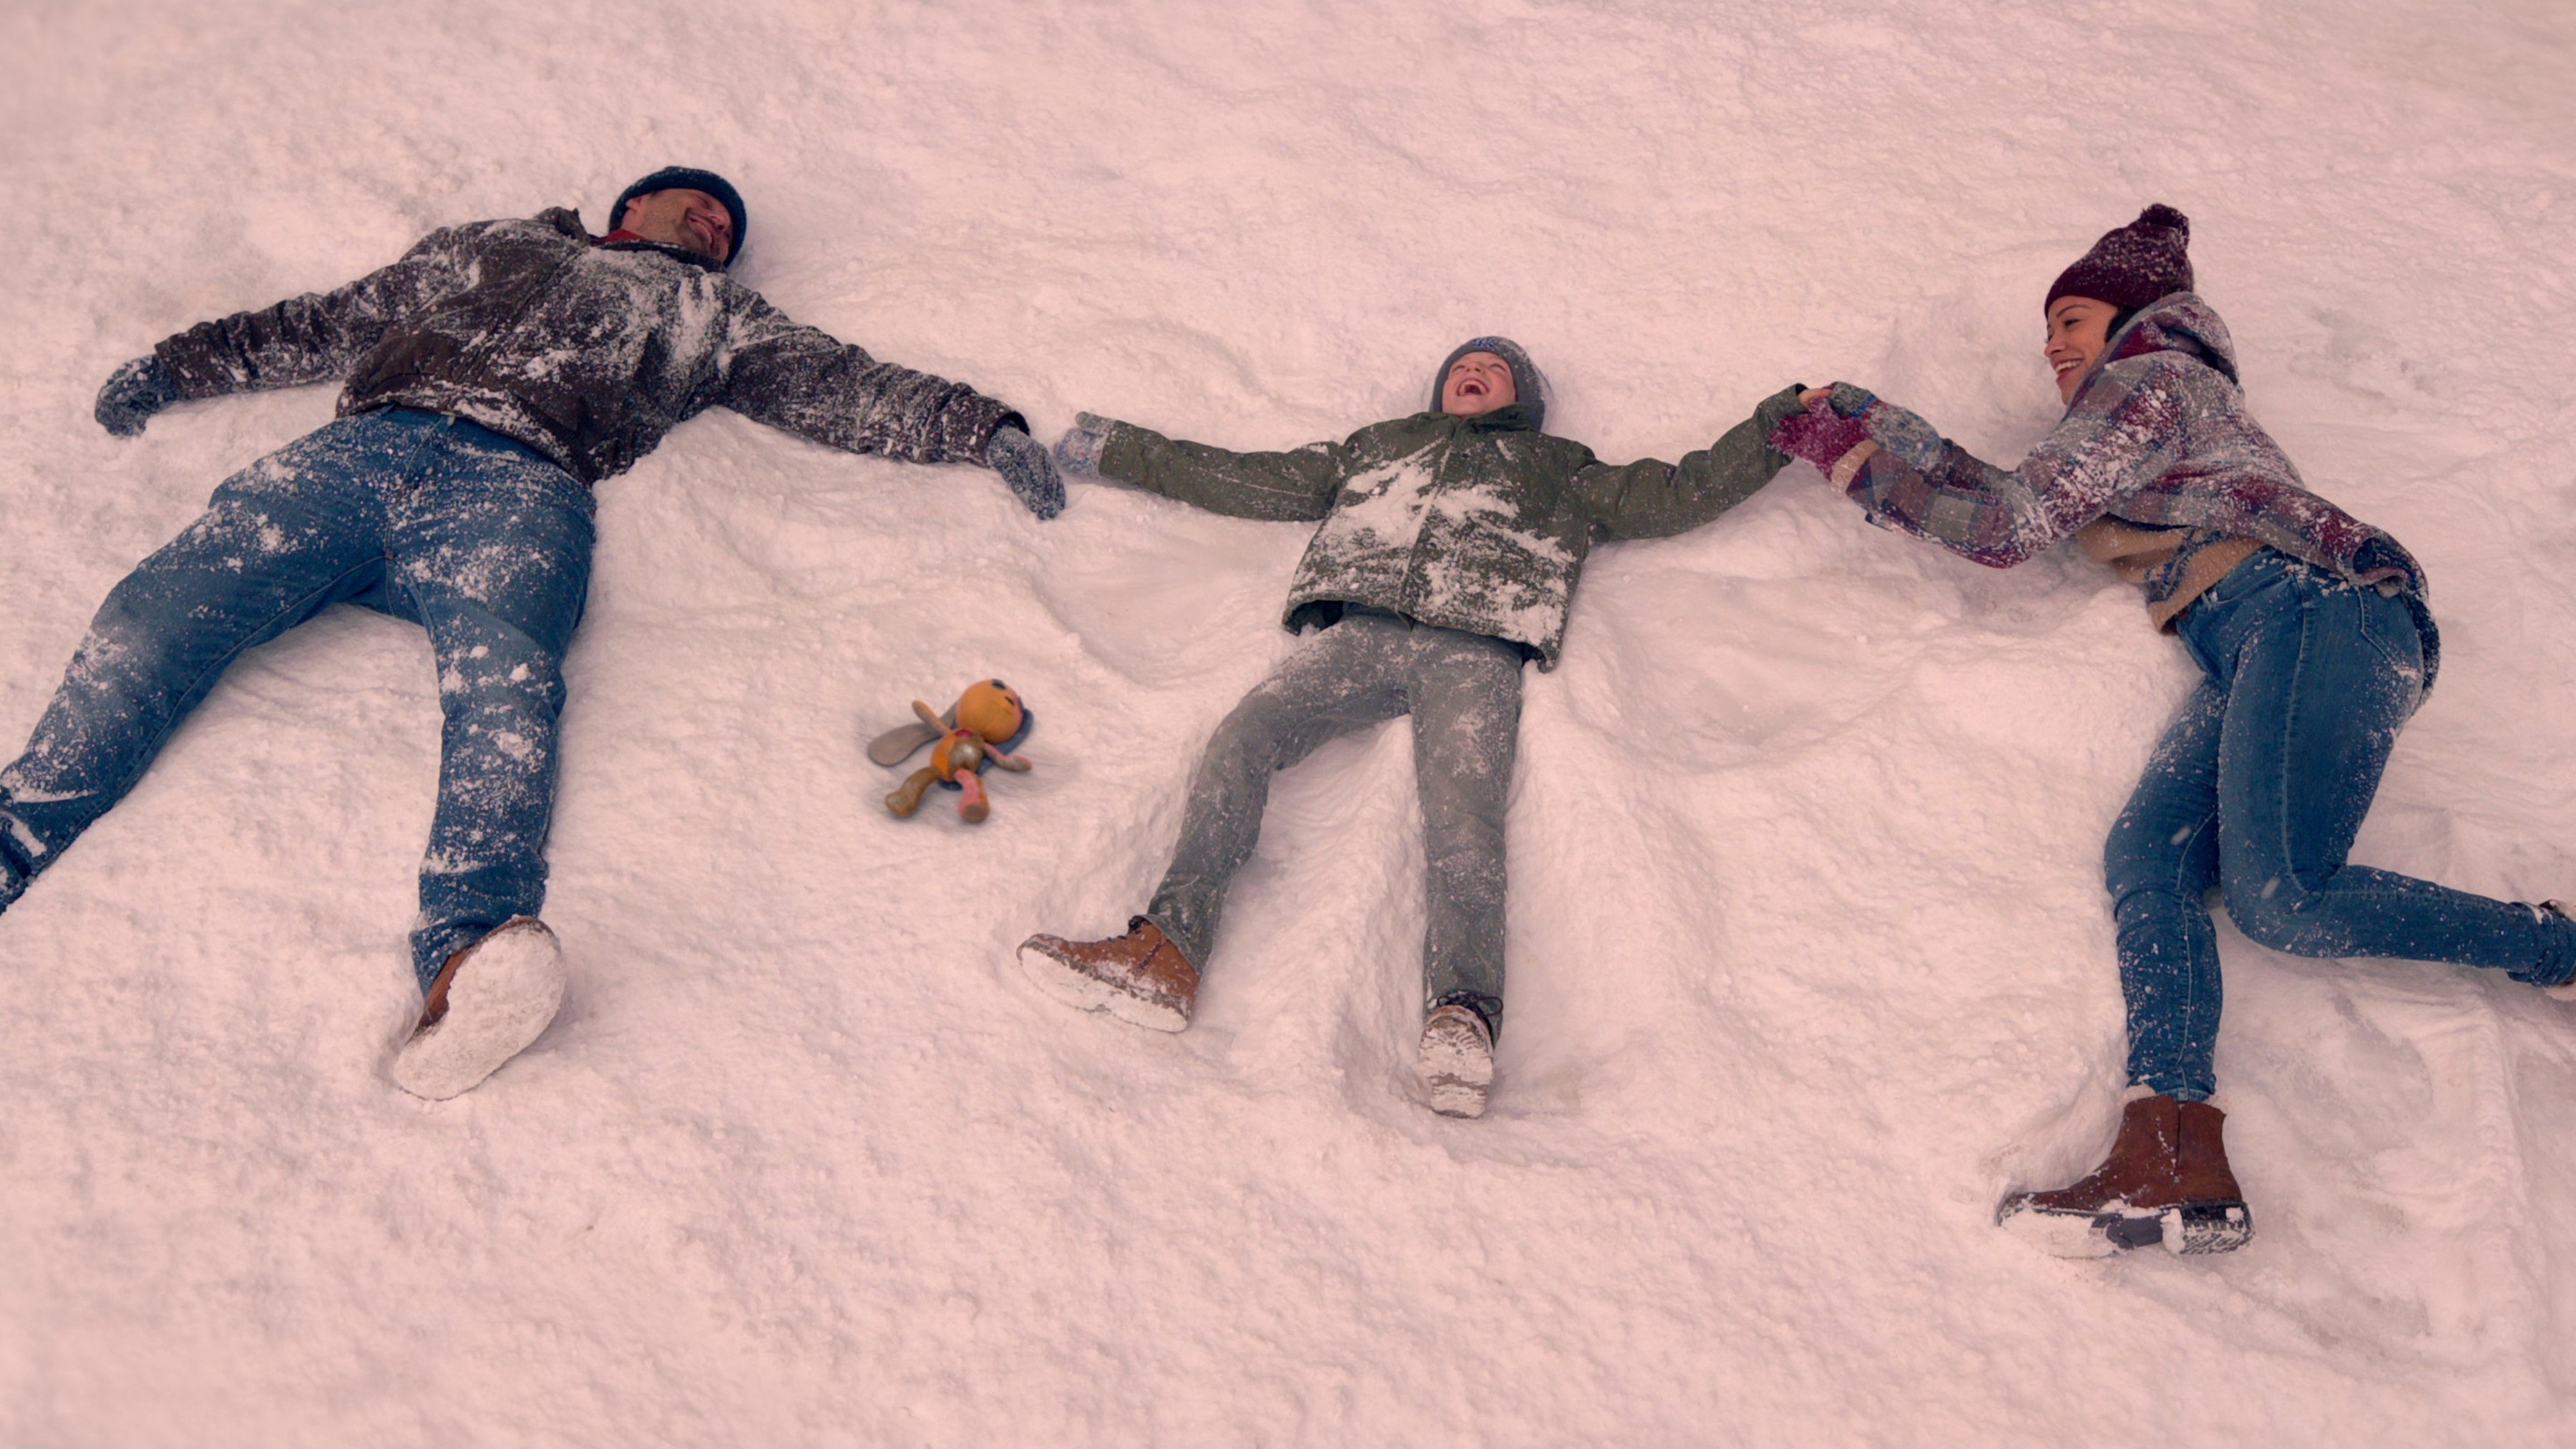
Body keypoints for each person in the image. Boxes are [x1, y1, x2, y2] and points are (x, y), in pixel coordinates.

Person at [3, 166, 1065, 1099]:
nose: (713, 225)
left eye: (726, 230)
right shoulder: (492, 244)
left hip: (520, 490)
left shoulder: (712, 312)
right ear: (632, 202)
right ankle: (16, 832)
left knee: (506, 698)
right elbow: (329, 321)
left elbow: (838, 384)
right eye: (699, 205)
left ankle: (469, 960)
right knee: (154, 614)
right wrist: (177, 366)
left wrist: (979, 428)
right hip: (355, 458)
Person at [1772, 205, 2575, 1256]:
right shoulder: (2141, 410)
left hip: (2317, 609)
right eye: (2048, 329)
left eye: (2072, 319)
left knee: (2282, 897)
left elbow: (2008, 529)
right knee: (2149, 856)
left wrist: (1850, 459)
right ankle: (2171, 1151)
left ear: (2136, 316)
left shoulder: (2155, 376)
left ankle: (2558, 949)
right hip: (2262, 639)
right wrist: (1874, 422)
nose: (2054, 346)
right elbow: (2020, 494)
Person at [1018, 338, 1802, 1117]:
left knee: (1464, 821)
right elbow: (1247, 476)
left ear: (1524, 402)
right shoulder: (1379, 449)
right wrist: (1120, 450)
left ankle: (1462, 1015)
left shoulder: (1559, 468)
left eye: (1494, 371)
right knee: (1241, 739)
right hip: (1360, 639)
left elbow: (1678, 492)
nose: (1474, 373)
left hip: (1476, 649)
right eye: (1463, 366)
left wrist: (1780, 426)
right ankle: (1165, 950)